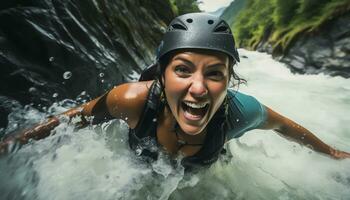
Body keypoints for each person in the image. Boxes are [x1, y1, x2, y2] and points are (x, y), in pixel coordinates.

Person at [1, 13, 349, 168]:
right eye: (182, 70)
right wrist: (11, 145)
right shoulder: (131, 100)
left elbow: (286, 127)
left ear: (230, 81)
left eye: (215, 74)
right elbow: (71, 119)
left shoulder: (241, 111)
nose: (198, 88)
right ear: (163, 76)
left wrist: (334, 154)